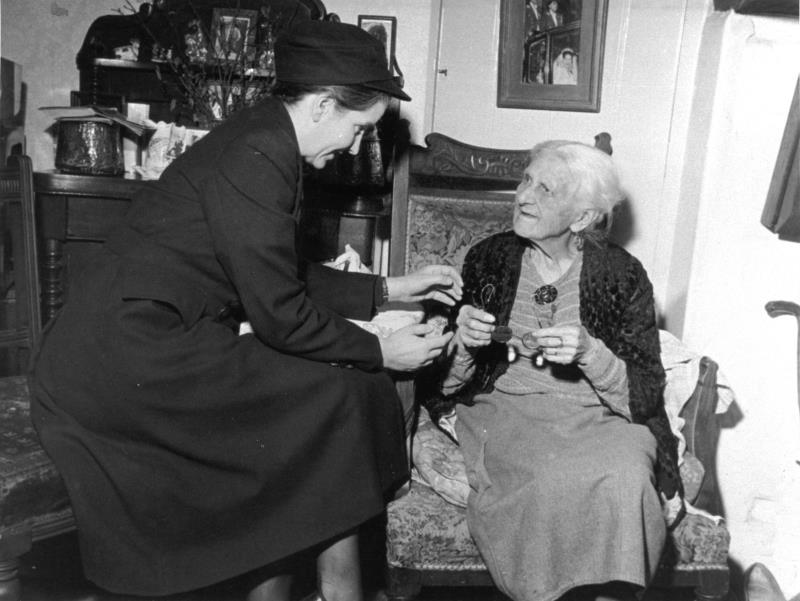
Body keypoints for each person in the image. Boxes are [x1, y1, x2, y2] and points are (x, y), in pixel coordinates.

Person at [30, 20, 462, 601]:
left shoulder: (264, 137)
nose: (356, 147)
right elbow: (279, 312)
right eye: (359, 129)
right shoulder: (259, 156)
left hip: (140, 340)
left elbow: (272, 268)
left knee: (346, 394)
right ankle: (330, 590)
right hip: (129, 359)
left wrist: (388, 288)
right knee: (344, 393)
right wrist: (381, 348)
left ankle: (321, 588)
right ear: (324, 105)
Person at [419, 140, 684, 601]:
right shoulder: (490, 259)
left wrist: (590, 353)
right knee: (548, 475)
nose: (523, 196)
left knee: (627, 474)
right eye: (526, 180)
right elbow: (446, 386)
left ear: (581, 218)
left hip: (599, 416)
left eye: (546, 189)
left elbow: (645, 393)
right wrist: (462, 344)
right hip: (508, 409)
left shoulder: (622, 275)